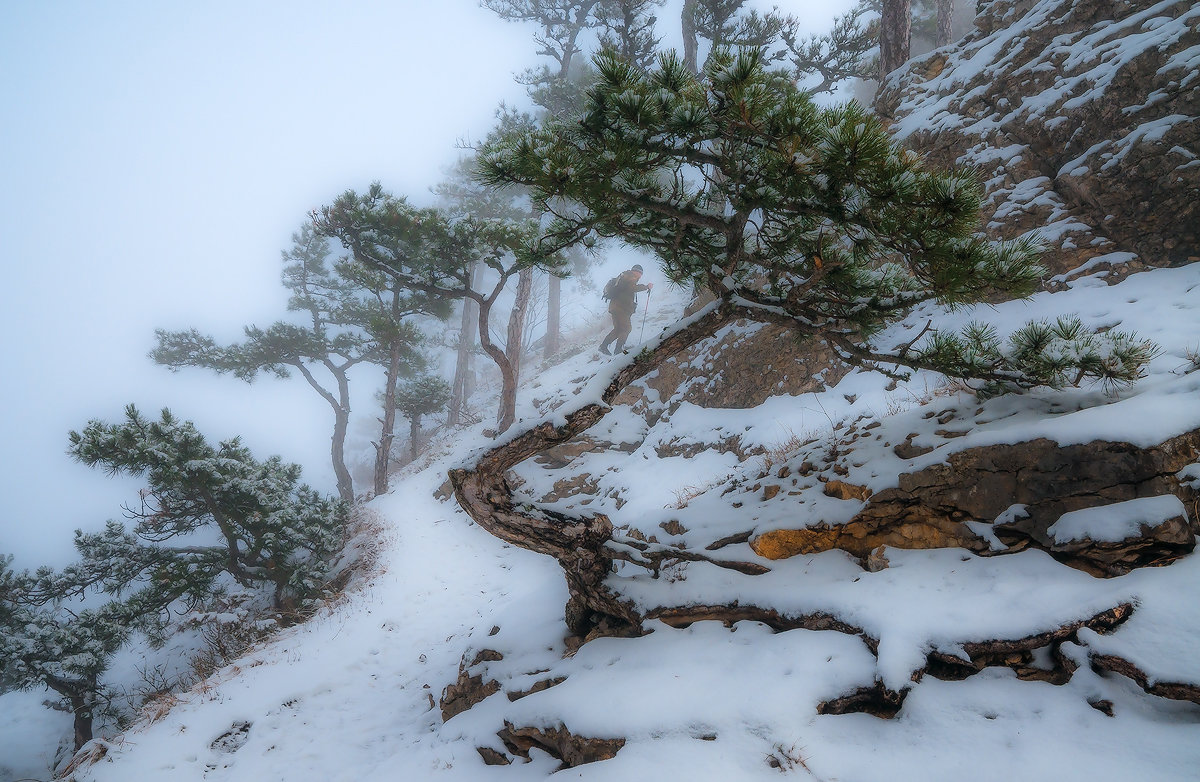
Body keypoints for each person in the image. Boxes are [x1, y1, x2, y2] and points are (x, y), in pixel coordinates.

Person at [599, 264, 653, 355]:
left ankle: (603, 347)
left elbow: (627, 290)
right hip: (621, 308)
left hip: (615, 307)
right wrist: (646, 287)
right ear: (637, 272)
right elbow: (632, 288)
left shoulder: (624, 276)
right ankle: (618, 349)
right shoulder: (631, 276)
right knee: (627, 328)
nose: (640, 276)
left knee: (618, 329)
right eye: (641, 274)